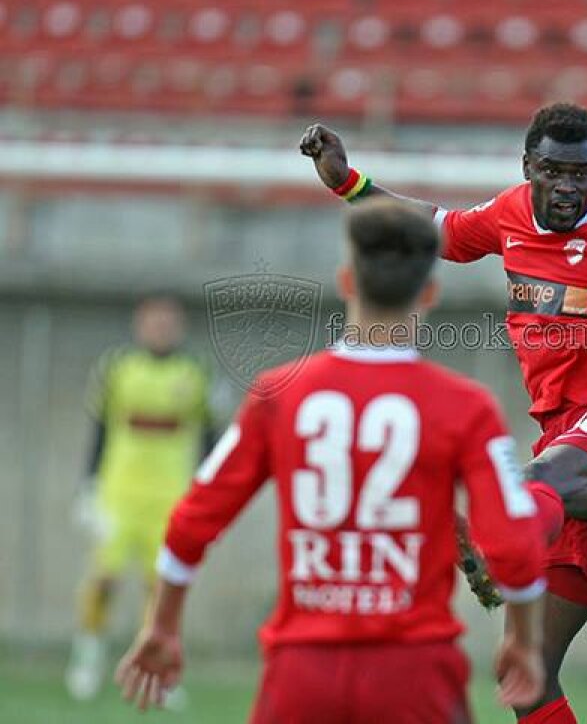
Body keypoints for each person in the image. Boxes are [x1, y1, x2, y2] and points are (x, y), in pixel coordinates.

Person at [299, 102, 587, 724]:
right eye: (553, 171)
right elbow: (437, 229)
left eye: (582, 174)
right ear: (528, 168)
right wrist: (349, 184)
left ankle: (499, 536)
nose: (568, 187)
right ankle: (507, 531)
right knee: (526, 675)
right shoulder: (510, 214)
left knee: (526, 488)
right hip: (566, 448)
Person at [115, 199, 547, 722]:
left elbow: (192, 520)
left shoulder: (277, 396)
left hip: (301, 670)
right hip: (414, 672)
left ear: (346, 282)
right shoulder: (466, 406)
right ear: (429, 294)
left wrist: (162, 626)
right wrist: (523, 639)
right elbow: (518, 546)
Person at [66, 295, 215, 703]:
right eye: (154, 322)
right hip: (119, 493)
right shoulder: (116, 368)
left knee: (162, 590)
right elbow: (99, 427)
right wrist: (90, 485)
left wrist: (208, 489)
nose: (161, 329)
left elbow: (209, 437)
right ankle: (88, 655)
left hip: (170, 496)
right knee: (103, 579)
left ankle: (161, 673)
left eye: (168, 323)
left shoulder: (196, 371)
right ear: (139, 324)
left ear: (179, 327)